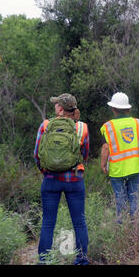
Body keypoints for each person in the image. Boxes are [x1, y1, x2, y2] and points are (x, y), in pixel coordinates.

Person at [34, 93, 89, 265]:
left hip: (50, 179)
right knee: (79, 222)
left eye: (56, 104)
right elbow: (85, 155)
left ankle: (44, 261)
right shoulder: (82, 128)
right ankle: (81, 261)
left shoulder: (46, 125)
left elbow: (37, 154)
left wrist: (45, 170)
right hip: (74, 179)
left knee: (48, 222)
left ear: (60, 108)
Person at [100, 92, 139, 223]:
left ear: (113, 109)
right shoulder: (138, 123)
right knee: (133, 197)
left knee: (120, 198)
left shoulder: (108, 126)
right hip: (135, 167)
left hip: (117, 169)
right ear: (129, 109)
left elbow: (105, 148)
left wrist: (103, 165)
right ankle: (134, 226)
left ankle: (123, 228)